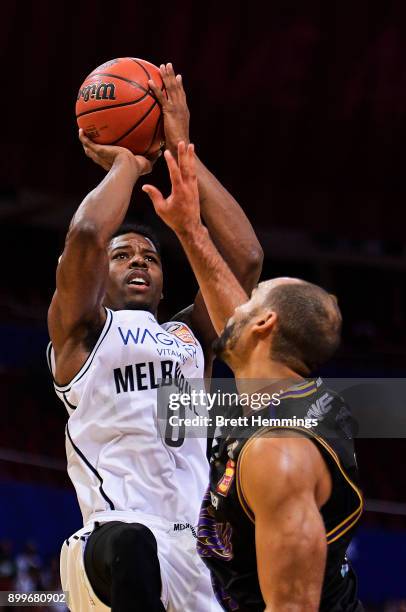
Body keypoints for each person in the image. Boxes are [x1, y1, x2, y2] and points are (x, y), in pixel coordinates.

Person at [46, 63, 263, 612]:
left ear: (165, 281)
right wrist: (126, 161)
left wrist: (182, 150)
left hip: (196, 554)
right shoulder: (83, 331)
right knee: (131, 545)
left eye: (149, 257)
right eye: (123, 257)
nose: (138, 262)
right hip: (110, 541)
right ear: (100, 275)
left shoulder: (190, 337)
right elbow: (89, 233)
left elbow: (246, 259)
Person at [143, 141, 364, 611]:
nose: (237, 302)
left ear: (263, 325)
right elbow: (233, 298)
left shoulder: (279, 456)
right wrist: (189, 228)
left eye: (253, 299)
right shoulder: (288, 393)